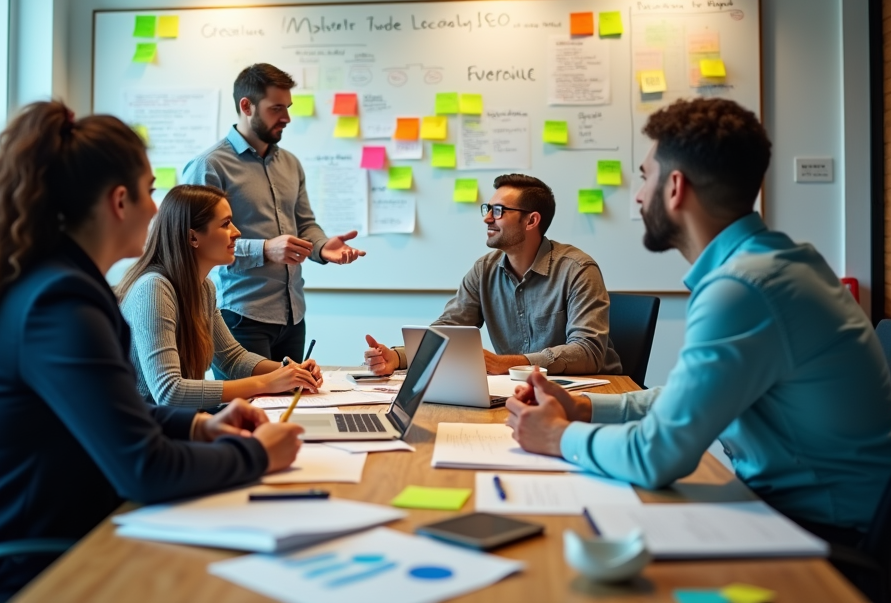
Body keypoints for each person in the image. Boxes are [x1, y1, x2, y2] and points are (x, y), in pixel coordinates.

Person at [0, 102, 303, 603]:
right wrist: (256, 454)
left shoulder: (61, 284)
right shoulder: (59, 304)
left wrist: (201, 426)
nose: (158, 209)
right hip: (28, 570)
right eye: (150, 191)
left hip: (64, 531)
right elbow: (147, 470)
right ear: (120, 201)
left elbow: (122, 415)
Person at [505, 98, 891, 543]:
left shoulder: (744, 288)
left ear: (675, 187)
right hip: (791, 510)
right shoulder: (772, 264)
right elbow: (687, 399)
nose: (636, 193)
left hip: (824, 535)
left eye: (645, 177)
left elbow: (657, 456)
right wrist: (582, 408)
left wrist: (558, 436)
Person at [182, 63, 365, 364]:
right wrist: (266, 249)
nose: (287, 118)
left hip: (293, 316)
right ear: (246, 106)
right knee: (248, 410)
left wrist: (321, 247)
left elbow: (305, 223)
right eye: (277, 108)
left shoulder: (290, 164)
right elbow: (195, 241)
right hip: (241, 317)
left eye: (288, 107)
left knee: (290, 408)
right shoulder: (210, 166)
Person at [362, 173, 621, 376]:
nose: (487, 218)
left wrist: (506, 364)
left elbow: (588, 351)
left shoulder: (577, 270)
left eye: (498, 211)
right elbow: (447, 331)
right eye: (488, 208)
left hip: (590, 393)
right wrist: (397, 357)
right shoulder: (484, 270)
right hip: (519, 391)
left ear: (531, 221)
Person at [118, 184, 323, 407]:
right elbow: (169, 391)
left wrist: (289, 370)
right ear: (193, 238)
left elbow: (233, 359)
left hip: (176, 423)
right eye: (225, 224)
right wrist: (267, 383)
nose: (237, 232)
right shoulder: (154, 289)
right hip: (148, 431)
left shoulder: (204, 288)